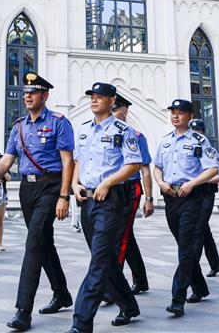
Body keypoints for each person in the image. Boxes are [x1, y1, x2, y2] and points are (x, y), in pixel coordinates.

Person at [0, 72, 74, 332]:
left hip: (50, 187)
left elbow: (68, 161)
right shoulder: (19, 126)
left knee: (33, 242)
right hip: (27, 189)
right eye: (25, 92)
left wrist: (64, 196)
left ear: (45, 95)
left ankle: (23, 310)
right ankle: (62, 293)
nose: (28, 96)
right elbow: (7, 160)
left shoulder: (59, 122)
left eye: (34, 92)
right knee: (43, 242)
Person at [69, 82, 142, 333]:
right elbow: (78, 161)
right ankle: (128, 305)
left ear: (112, 101)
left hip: (110, 200)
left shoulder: (123, 130)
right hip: (87, 200)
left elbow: (133, 164)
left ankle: (81, 322)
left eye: (100, 97)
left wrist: (108, 182)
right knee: (105, 259)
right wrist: (74, 184)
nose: (94, 100)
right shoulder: (83, 130)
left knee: (99, 260)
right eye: (92, 96)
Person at [153, 102, 219, 317]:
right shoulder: (165, 141)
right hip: (171, 197)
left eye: (179, 113)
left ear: (190, 116)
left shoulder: (199, 141)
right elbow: (157, 167)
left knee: (186, 248)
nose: (175, 116)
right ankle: (199, 287)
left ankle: (177, 298)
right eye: (172, 113)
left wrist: (192, 183)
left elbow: (212, 168)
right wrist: (161, 183)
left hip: (192, 198)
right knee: (185, 246)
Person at [111, 94, 153, 295]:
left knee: (119, 236)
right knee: (124, 235)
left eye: (116, 109)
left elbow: (145, 169)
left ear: (125, 110)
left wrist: (149, 198)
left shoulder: (136, 136)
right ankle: (140, 279)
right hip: (110, 190)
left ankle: (114, 286)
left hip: (129, 189)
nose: (113, 113)